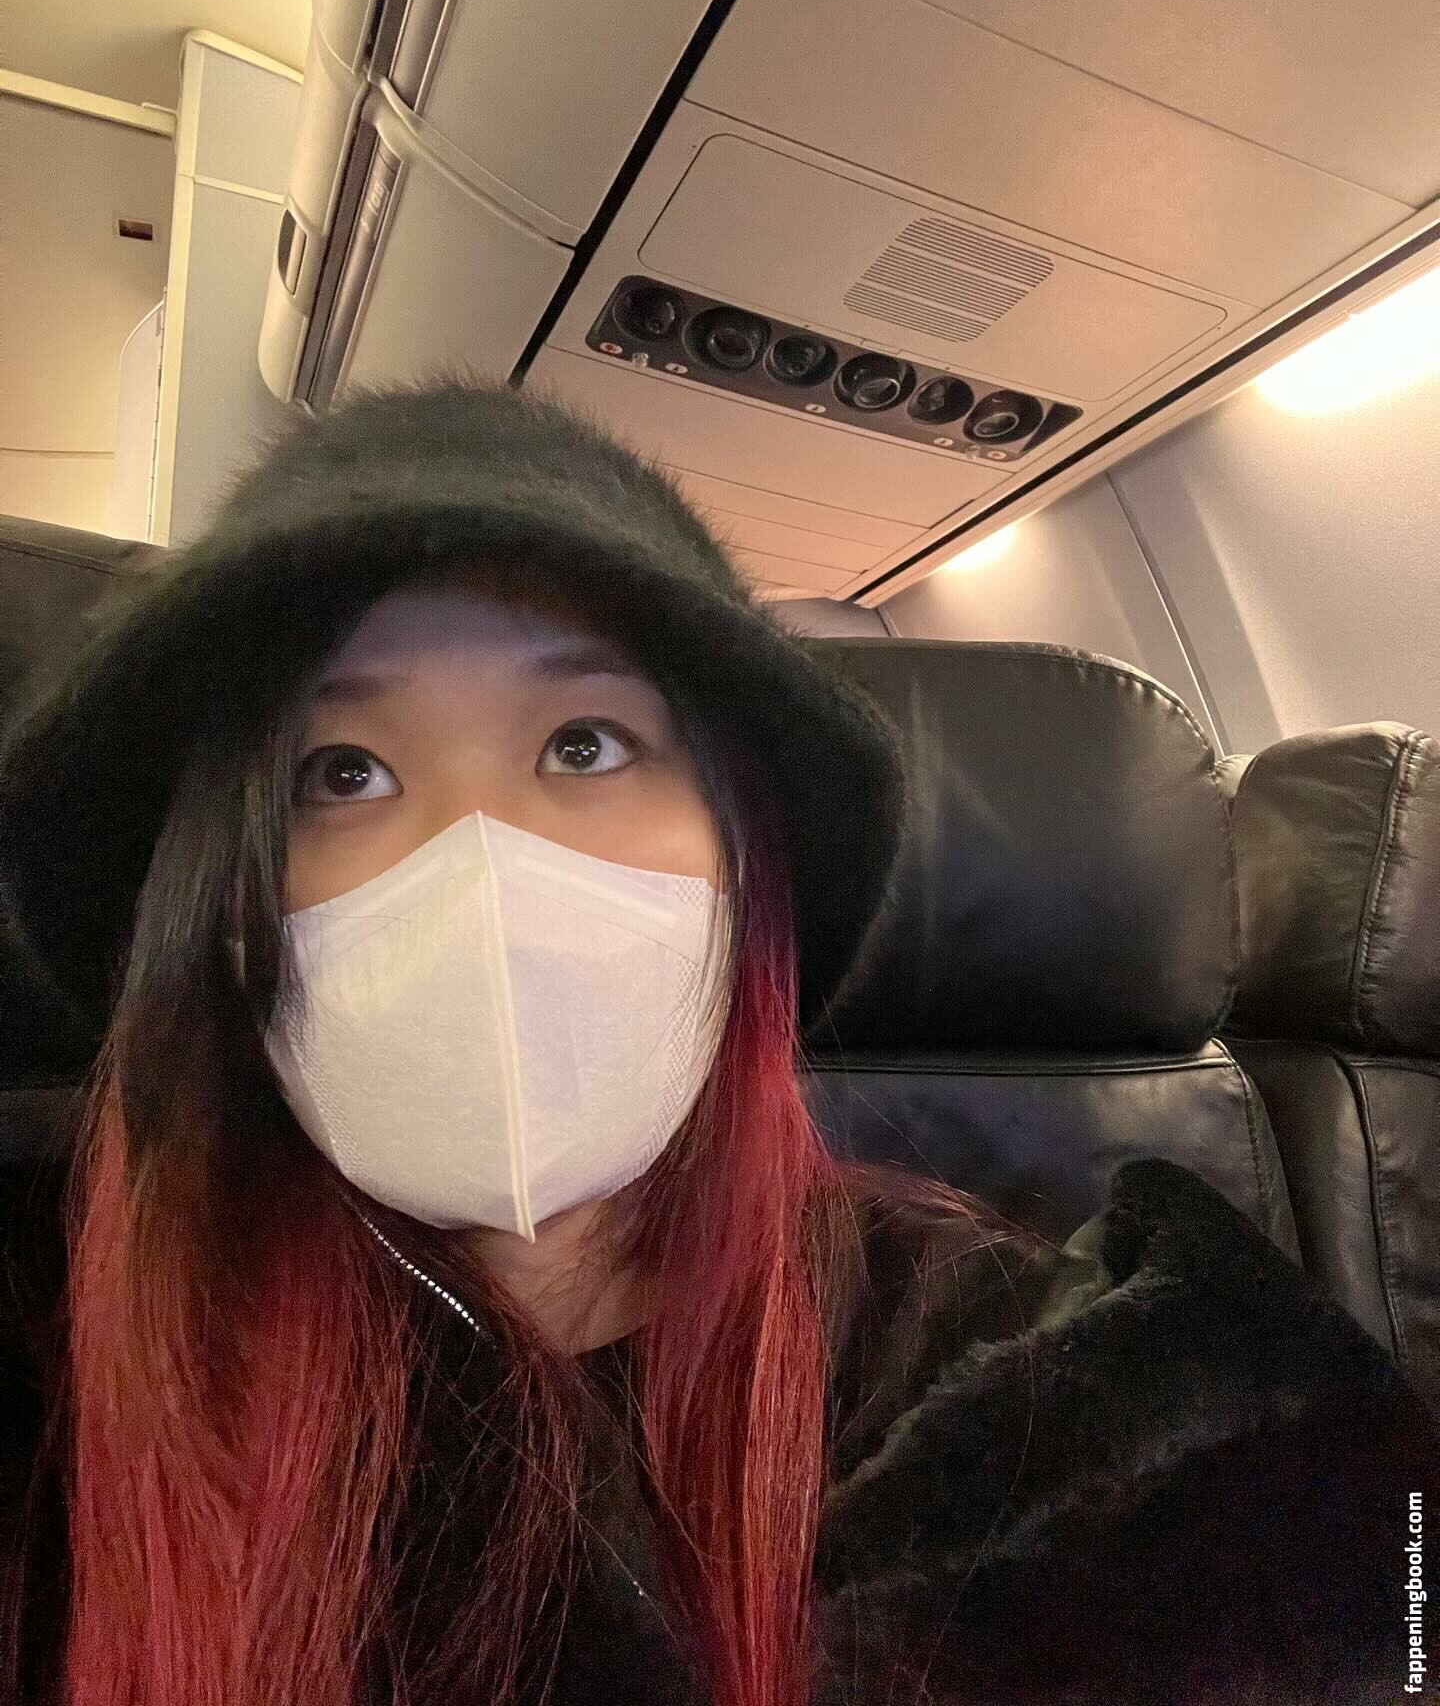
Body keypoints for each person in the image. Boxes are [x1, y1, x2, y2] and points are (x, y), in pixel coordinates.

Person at [0, 382, 1431, 1706]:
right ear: (215, 909)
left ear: (746, 868)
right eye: (343, 773)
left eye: (584, 745)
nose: (479, 868)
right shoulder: (63, 1376)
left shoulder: (1023, 1373)